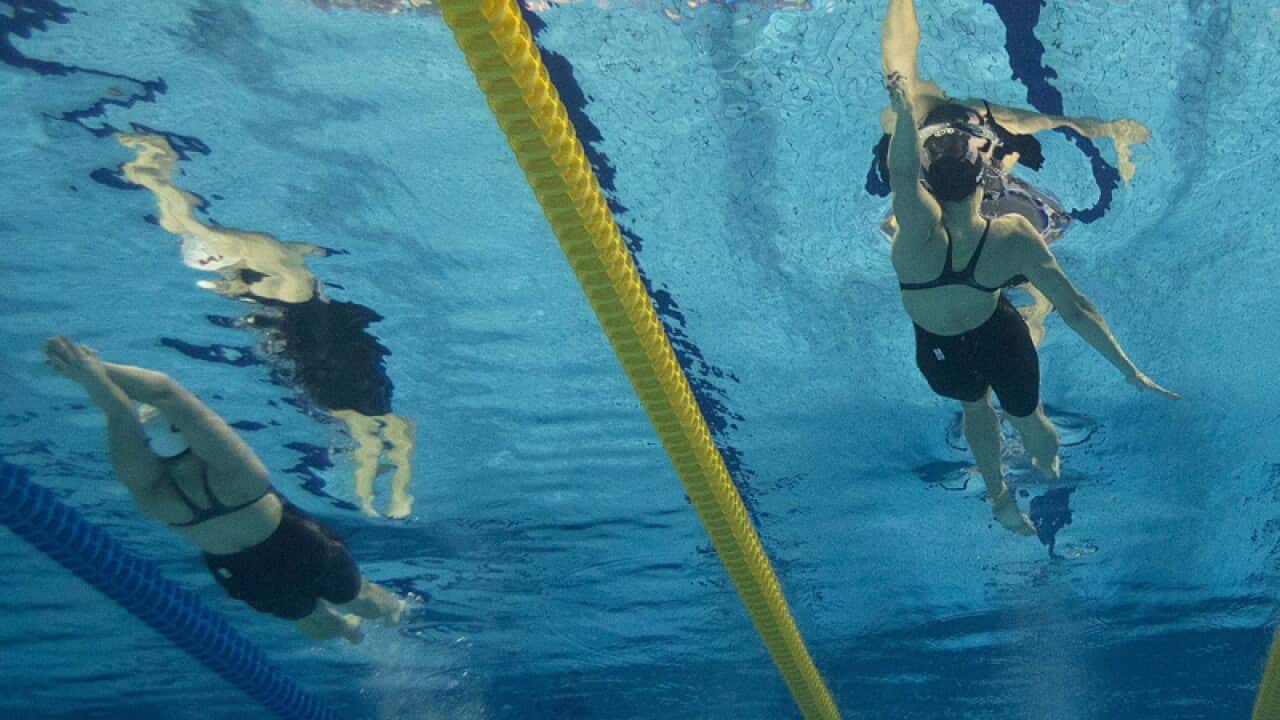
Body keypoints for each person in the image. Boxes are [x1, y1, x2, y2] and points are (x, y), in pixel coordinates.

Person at [879, 0, 1179, 535]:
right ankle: (1042, 459)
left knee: (978, 413)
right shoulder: (1011, 237)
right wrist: (1129, 371)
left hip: (938, 345)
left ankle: (1002, 498)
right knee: (1026, 416)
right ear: (984, 171)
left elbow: (902, 168)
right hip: (996, 327)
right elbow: (1078, 309)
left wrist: (902, 104)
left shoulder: (912, 233)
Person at [43, 335, 404, 641]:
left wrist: (87, 377)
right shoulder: (236, 473)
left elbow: (119, 415)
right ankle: (394, 612)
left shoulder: (156, 497)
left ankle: (346, 633)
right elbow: (165, 392)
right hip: (298, 546)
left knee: (311, 620)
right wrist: (93, 369)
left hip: (242, 576)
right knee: (361, 598)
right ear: (187, 432)